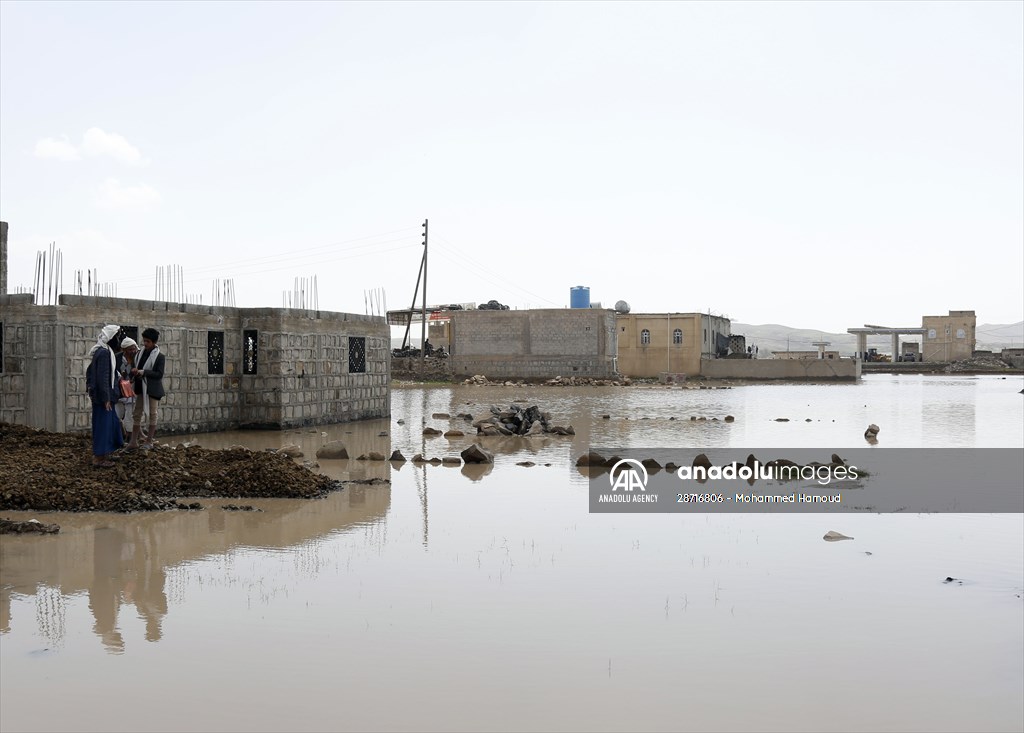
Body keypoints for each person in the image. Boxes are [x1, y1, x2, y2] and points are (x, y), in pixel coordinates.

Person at [87, 324, 124, 467]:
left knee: (111, 425)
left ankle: (105, 454)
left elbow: (90, 373)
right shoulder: (104, 353)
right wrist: (106, 398)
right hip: (104, 399)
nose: (119, 340)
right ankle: (99, 458)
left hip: (103, 397)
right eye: (117, 337)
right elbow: (103, 377)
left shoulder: (102, 351)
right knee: (103, 426)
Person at [128, 328, 166, 451]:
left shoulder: (159, 357)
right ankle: (133, 441)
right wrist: (134, 372)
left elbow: (159, 374)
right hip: (140, 388)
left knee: (153, 414)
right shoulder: (139, 354)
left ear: (154, 342)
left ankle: (149, 441)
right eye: (144, 341)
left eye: (148, 341)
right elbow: (134, 367)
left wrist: (144, 372)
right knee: (137, 413)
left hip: (152, 389)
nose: (145, 344)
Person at [116, 338, 140, 440]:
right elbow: (113, 370)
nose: (133, 351)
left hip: (131, 393)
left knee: (130, 416)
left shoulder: (137, 360)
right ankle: (120, 435)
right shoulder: (117, 358)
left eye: (134, 349)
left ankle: (130, 438)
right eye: (130, 349)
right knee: (117, 415)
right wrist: (120, 377)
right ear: (124, 350)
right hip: (119, 392)